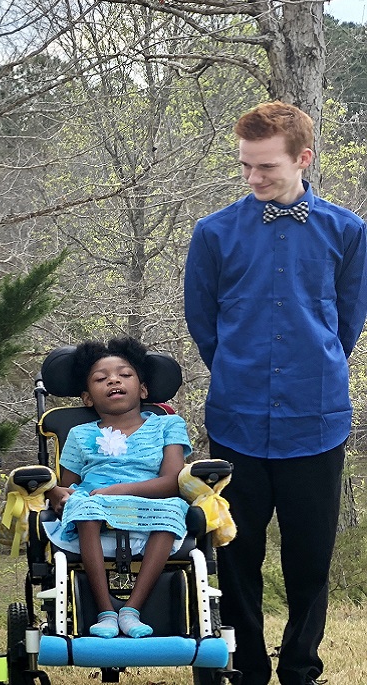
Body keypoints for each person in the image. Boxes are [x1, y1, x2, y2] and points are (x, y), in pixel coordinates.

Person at [184, 100, 367, 685]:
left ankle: (301, 669)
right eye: (245, 166)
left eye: (265, 167)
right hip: (236, 420)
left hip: (317, 421)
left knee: (310, 558)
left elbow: (348, 322)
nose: (252, 177)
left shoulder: (348, 231)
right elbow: (203, 322)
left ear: (302, 158)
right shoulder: (213, 233)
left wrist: (314, 366)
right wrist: (241, 371)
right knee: (236, 555)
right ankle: (245, 667)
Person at [41, 337, 190, 639]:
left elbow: (173, 481)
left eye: (124, 374)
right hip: (94, 506)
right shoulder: (80, 434)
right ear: (87, 398)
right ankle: (105, 611)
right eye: (101, 378)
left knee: (174, 507)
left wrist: (118, 490)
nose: (113, 380)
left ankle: (131, 610)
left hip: (151, 501)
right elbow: (70, 487)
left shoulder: (167, 425)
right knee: (82, 505)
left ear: (143, 389)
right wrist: (55, 492)